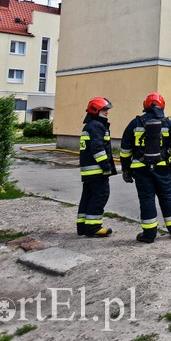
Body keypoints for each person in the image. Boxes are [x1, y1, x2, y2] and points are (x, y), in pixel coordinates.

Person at [119, 92, 171, 244]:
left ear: (145, 106)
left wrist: (126, 170)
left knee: (146, 199)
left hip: (140, 169)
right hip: (161, 168)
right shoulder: (168, 124)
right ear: (162, 106)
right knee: (167, 197)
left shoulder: (135, 123)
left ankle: (149, 234)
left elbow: (125, 150)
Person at [77, 96, 116, 237]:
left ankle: (82, 226)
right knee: (100, 196)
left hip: (89, 171)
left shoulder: (90, 125)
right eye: (104, 109)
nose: (107, 112)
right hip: (97, 170)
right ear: (96, 110)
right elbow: (98, 149)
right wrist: (106, 166)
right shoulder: (96, 126)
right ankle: (93, 227)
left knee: (87, 197)